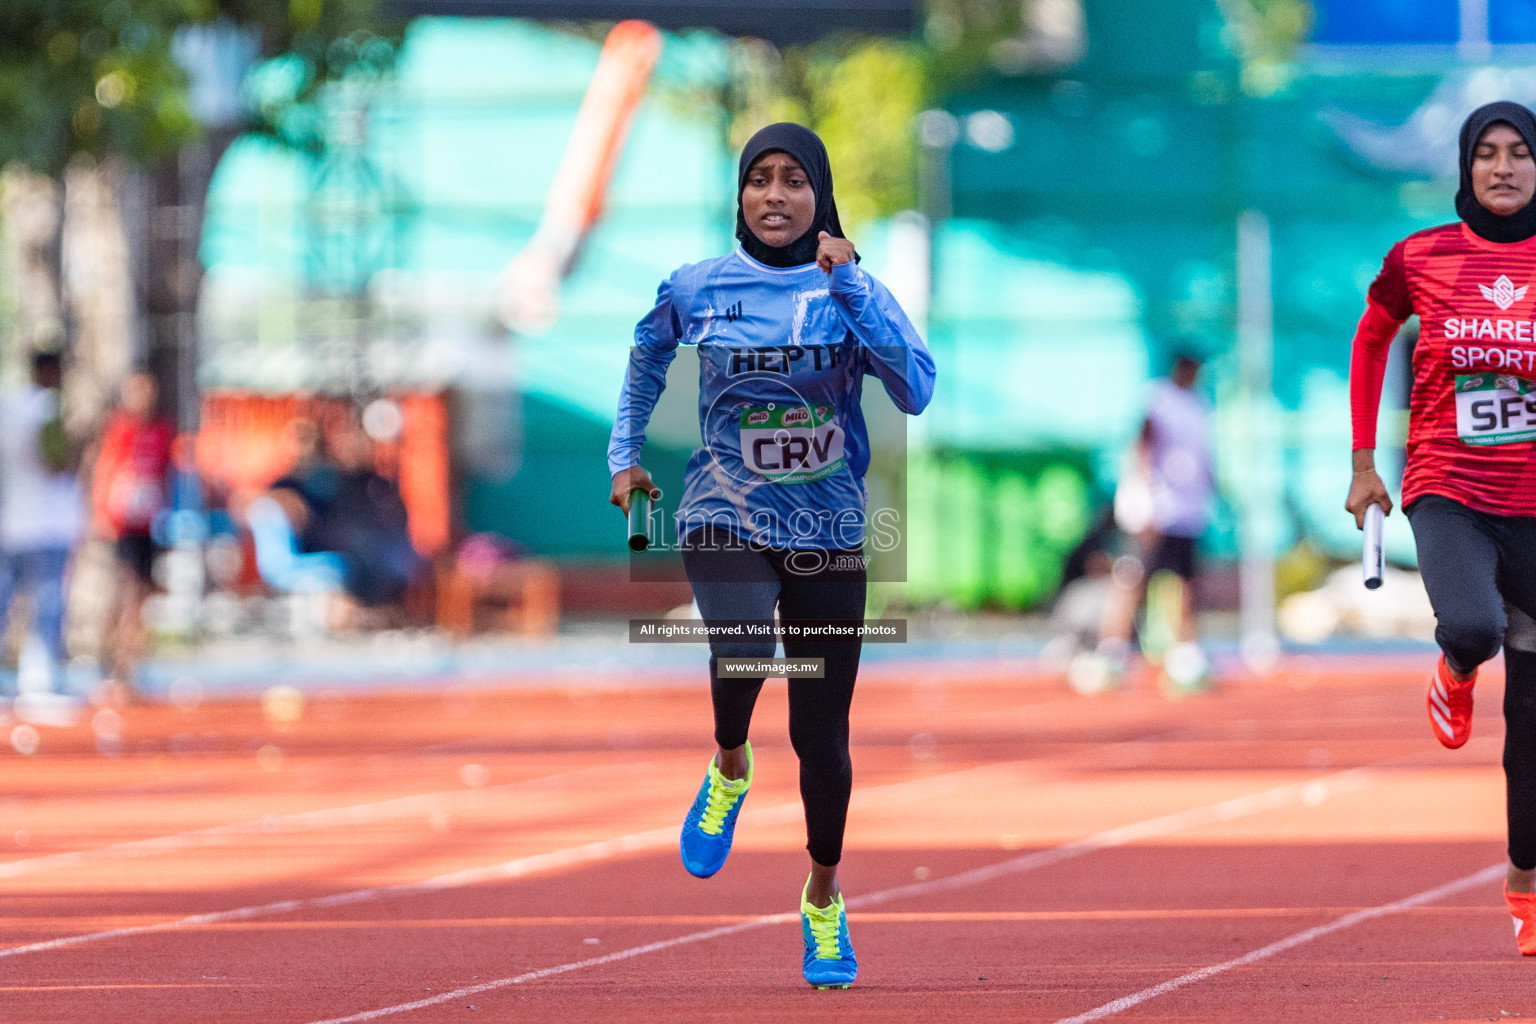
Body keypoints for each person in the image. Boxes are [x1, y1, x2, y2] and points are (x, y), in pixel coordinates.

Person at [607, 123, 934, 989]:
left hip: (828, 531)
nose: (776, 196)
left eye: (794, 180)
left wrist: (853, 286)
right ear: (740, 196)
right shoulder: (697, 287)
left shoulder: (850, 289)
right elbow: (645, 357)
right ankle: (727, 763)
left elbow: (918, 388)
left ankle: (822, 899)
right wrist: (625, 454)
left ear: (820, 196)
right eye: (760, 180)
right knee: (743, 641)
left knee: (820, 735)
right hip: (723, 512)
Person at [1346, 101, 1536, 955]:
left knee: (1532, 724)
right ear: (1465, 166)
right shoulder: (1421, 256)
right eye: (1487, 154)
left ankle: (1526, 883)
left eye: (1520, 154)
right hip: (1448, 485)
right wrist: (1362, 463)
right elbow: (1373, 332)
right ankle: (1455, 667)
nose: (1503, 168)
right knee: (1472, 625)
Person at [1095, 352, 1215, 690]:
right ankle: (1112, 651)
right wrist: (1145, 498)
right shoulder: (1158, 399)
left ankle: (1185, 653)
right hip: (1154, 509)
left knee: (1187, 581)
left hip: (1187, 510)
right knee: (1133, 577)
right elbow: (1144, 445)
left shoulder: (1200, 405)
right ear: (1181, 367)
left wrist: (1212, 490)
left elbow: (1203, 456)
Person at [0, 350, 84, 701]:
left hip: (11, 525)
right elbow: (55, 463)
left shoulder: (7, 406)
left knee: (5, 603)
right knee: (46, 606)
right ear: (52, 371)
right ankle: (40, 680)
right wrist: (80, 445)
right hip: (48, 526)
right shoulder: (49, 407)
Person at [91, 370, 174, 697]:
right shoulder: (118, 429)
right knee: (123, 593)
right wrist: (102, 513)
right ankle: (109, 661)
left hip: (148, 525)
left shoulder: (162, 430)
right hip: (122, 524)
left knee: (139, 597)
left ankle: (130, 667)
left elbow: (165, 475)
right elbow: (105, 469)